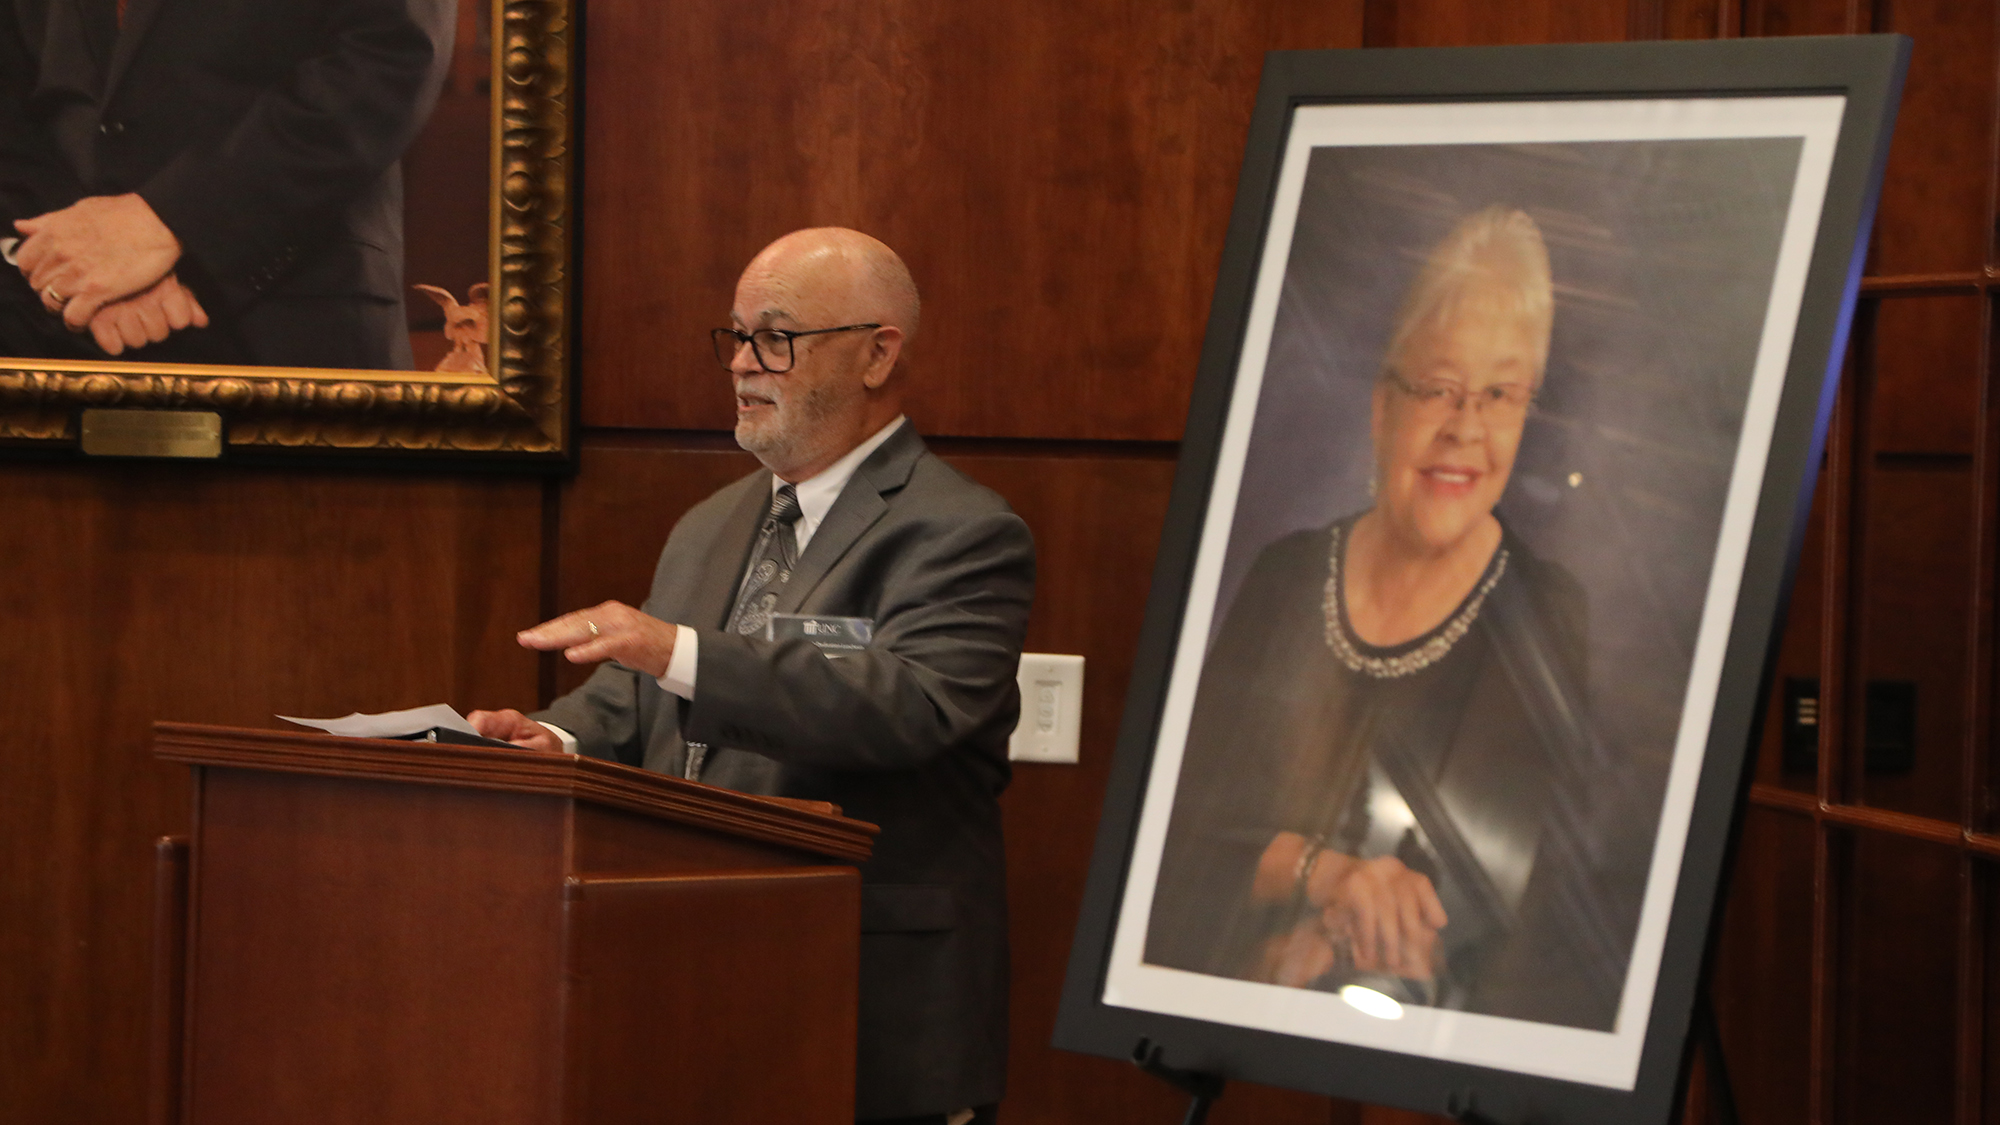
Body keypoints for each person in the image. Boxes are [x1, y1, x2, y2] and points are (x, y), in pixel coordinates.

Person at [470, 228, 1033, 1125]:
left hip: (865, 1002)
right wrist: (563, 736)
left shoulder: (960, 531)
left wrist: (673, 649)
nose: (741, 365)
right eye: (734, 337)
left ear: (878, 352)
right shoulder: (710, 522)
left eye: (776, 337)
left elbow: (909, 706)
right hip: (697, 983)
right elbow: (645, 695)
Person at [1145, 206, 1628, 1029]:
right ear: (1382, 404)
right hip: (1241, 1027)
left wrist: (1325, 934)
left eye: (1501, 393)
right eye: (1437, 387)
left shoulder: (1546, 615)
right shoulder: (1289, 576)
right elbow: (1177, 848)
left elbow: (1513, 908)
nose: (1465, 428)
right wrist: (1330, 877)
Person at [0, 0, 455, 367]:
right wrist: (78, 262)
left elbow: (391, 51)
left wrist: (173, 218)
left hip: (289, 319)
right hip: (46, 329)